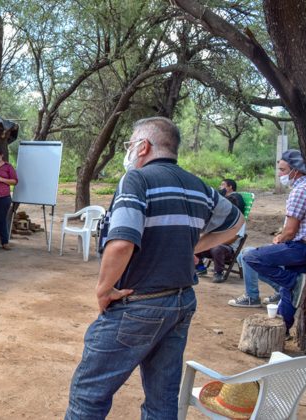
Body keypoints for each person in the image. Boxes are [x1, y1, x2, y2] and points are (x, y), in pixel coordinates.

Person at [65, 117, 243, 419]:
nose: (128, 152)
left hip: (138, 304)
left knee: (88, 397)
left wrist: (104, 289)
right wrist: (190, 247)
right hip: (181, 301)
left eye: (129, 144)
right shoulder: (198, 186)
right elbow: (237, 223)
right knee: (161, 400)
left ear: (143, 146)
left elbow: (121, 242)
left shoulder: (137, 180)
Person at [228, 149, 306, 337]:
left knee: (250, 256)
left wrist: (279, 239)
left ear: (295, 170)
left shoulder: (300, 191)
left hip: (298, 248)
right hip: (302, 247)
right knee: (289, 292)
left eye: (282, 170)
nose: (280, 174)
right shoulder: (305, 187)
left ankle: (293, 282)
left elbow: (290, 231)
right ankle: (284, 330)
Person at [195, 178, 247, 283]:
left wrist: (212, 242)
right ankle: (200, 267)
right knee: (196, 243)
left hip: (228, 249)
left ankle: (218, 273)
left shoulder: (238, 222)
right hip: (215, 245)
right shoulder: (219, 219)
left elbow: (232, 239)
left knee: (217, 248)